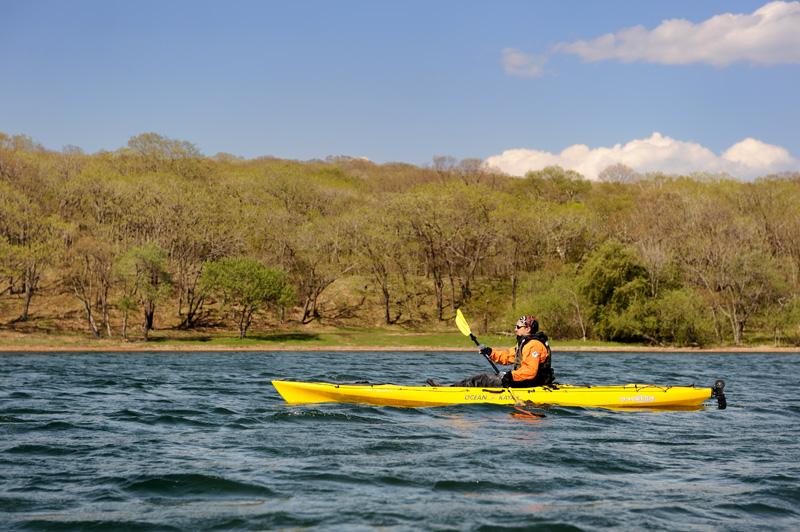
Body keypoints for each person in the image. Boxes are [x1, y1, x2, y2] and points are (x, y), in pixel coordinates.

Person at [427, 315, 554, 388]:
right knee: (484, 377)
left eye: (518, 327)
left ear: (528, 329)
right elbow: (508, 357)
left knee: (482, 378)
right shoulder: (525, 343)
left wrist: (509, 376)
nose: (515, 329)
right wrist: (489, 352)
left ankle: (450, 390)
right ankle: (452, 388)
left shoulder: (533, 345)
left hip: (530, 383)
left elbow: (530, 371)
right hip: (524, 381)